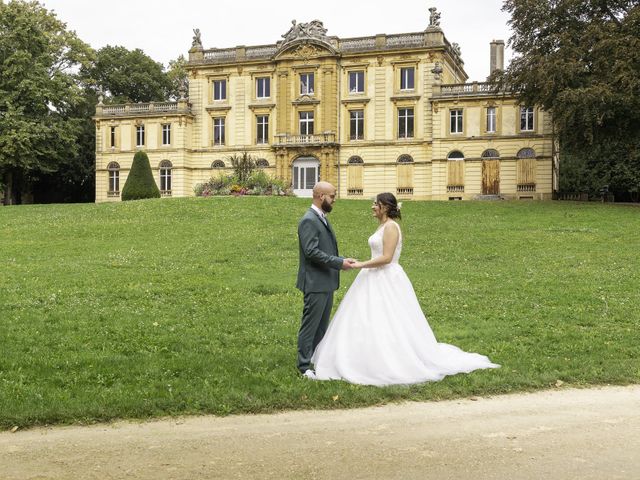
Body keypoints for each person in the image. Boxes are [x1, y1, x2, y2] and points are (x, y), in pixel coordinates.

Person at [312, 192, 500, 386]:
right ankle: (366, 356)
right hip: (372, 277)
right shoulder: (383, 226)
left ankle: (392, 359)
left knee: (391, 319)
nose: (372, 207)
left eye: (375, 204)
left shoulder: (392, 227)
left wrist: (360, 264)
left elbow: (386, 258)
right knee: (367, 318)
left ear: (384, 207)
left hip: (386, 277)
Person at [297, 181, 355, 379]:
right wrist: (339, 263)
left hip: (325, 281)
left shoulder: (321, 218)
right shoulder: (309, 220)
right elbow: (311, 252)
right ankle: (304, 366)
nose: (335, 199)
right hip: (315, 282)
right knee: (311, 325)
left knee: (322, 326)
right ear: (321, 196)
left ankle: (316, 359)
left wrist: (339, 262)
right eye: (332, 196)